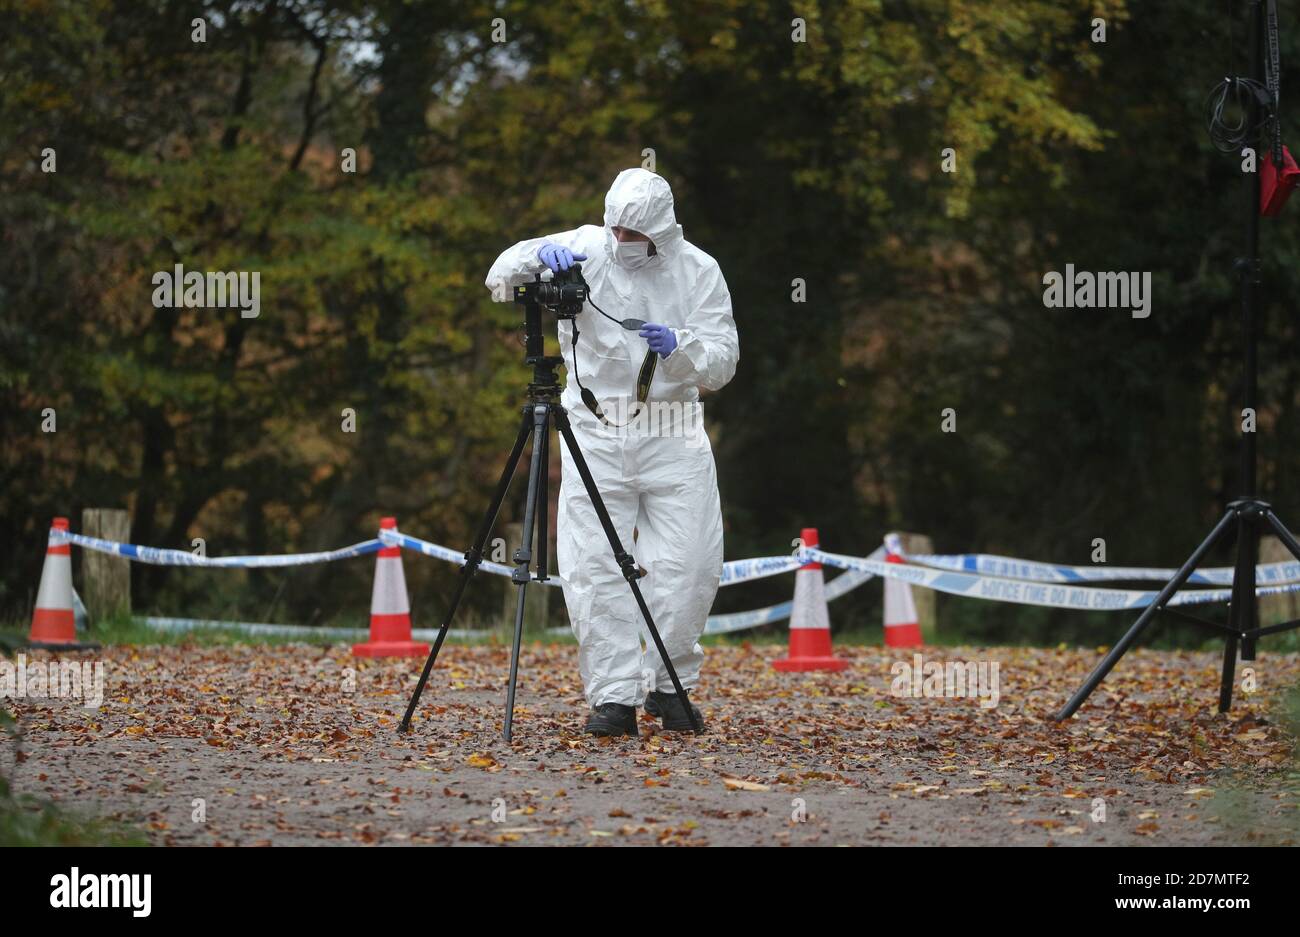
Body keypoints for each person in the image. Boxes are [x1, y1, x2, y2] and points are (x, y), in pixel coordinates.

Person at [485, 168, 739, 736]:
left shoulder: (699, 271)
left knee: (691, 564)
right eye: (616, 230)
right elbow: (499, 278)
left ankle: (669, 685)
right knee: (594, 566)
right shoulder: (585, 247)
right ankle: (614, 696)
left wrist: (683, 349)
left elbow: (724, 360)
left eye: (634, 234)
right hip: (595, 432)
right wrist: (533, 260)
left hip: (673, 431)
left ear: (660, 232)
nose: (621, 242)